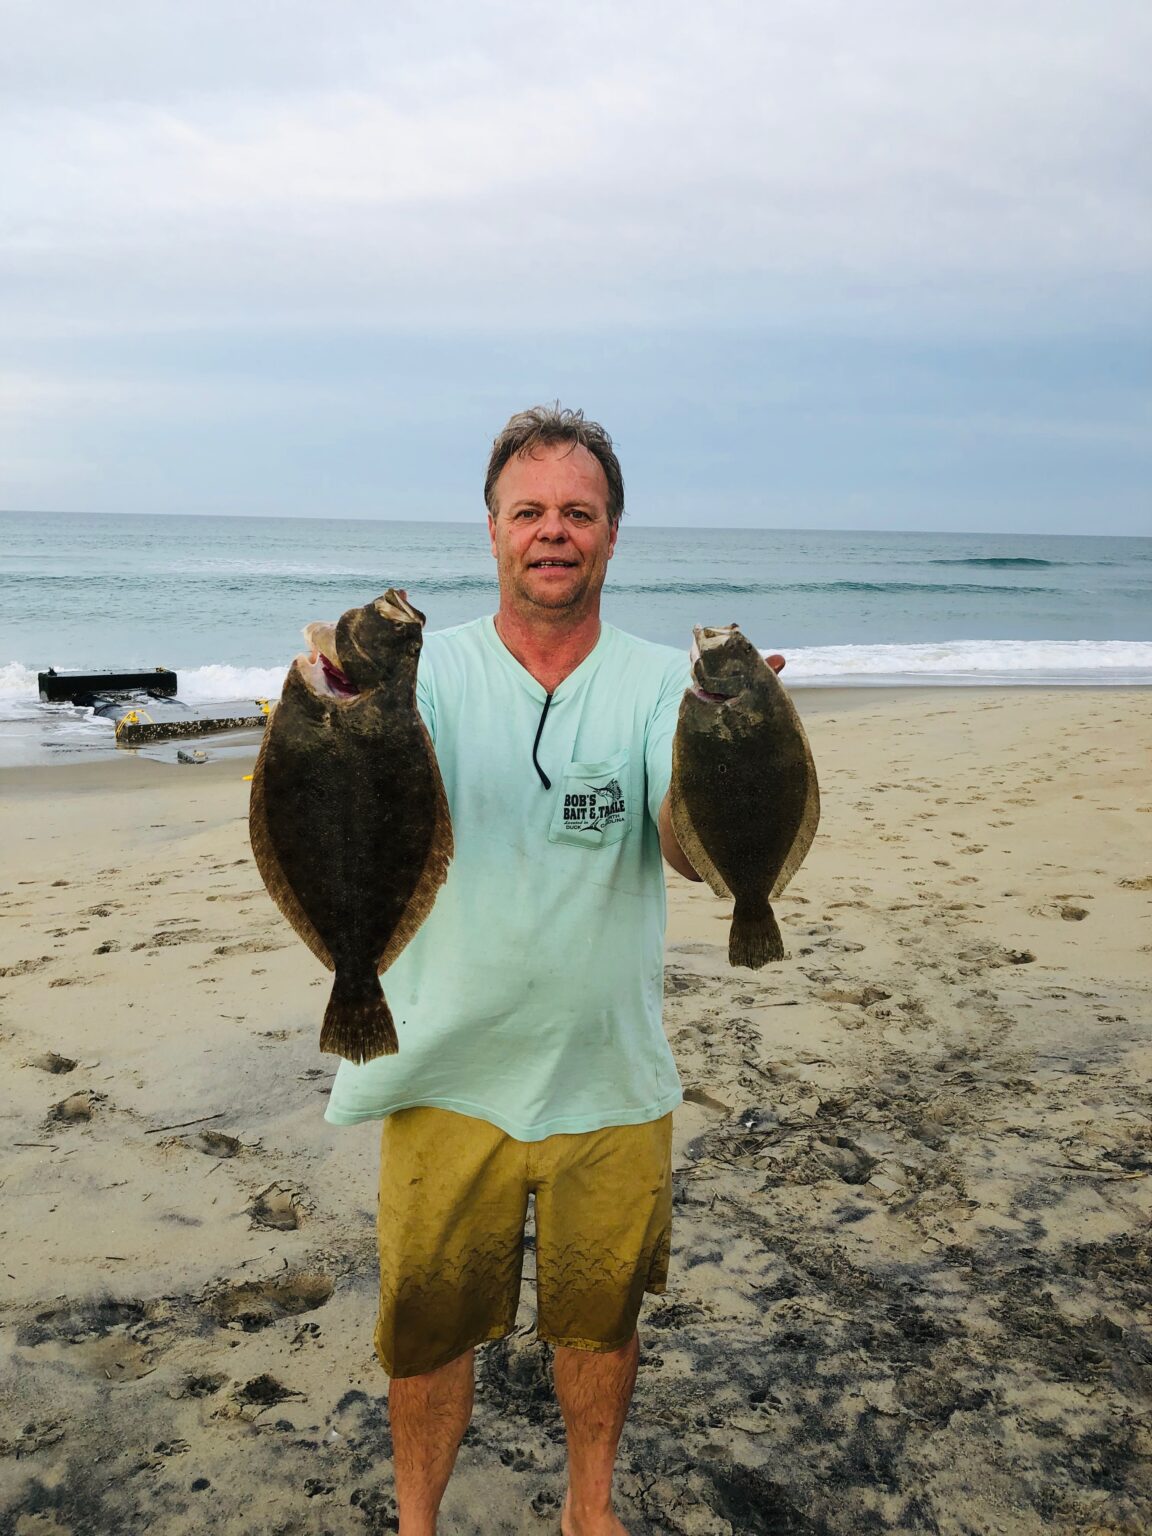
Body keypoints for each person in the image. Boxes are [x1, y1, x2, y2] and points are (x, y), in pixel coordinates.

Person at [324, 405, 779, 1535]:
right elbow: (357, 803)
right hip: (439, 1070)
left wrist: (733, 755)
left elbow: (680, 843)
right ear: (491, 533)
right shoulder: (427, 678)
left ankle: (589, 1512)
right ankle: (417, 1523)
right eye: (529, 511)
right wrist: (335, 706)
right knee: (426, 1333)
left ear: (614, 535)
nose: (553, 531)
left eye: (579, 512)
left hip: (606, 1076)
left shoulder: (650, 684)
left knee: (600, 1319)